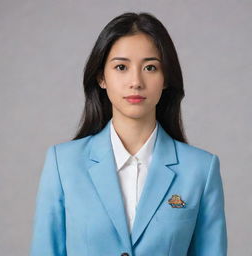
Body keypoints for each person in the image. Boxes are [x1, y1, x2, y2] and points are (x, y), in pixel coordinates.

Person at [29, 12, 227, 256]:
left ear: (165, 79)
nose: (136, 81)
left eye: (150, 67)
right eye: (121, 67)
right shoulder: (63, 164)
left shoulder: (201, 169)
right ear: (102, 77)